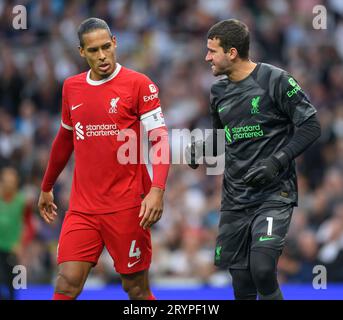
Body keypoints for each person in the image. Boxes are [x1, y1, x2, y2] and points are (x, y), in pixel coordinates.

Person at [186, 19, 321, 300]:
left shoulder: (276, 80)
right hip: (235, 198)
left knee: (262, 268)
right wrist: (202, 150)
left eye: (212, 51)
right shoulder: (218, 92)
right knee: (241, 281)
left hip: (273, 193)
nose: (206, 57)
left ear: (232, 53)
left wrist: (277, 161)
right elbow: (222, 136)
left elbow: (311, 126)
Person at [38, 17, 170, 300]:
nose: (102, 56)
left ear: (115, 43)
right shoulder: (71, 88)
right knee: (66, 284)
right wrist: (46, 186)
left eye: (106, 47)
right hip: (83, 208)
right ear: (81, 52)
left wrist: (157, 190)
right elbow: (64, 140)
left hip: (127, 206)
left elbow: (159, 139)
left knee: (135, 288)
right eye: (94, 50)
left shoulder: (139, 84)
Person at [0, 167, 27, 300]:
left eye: (12, 181)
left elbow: (26, 225)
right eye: (6, 181)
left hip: (12, 249)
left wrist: (20, 244)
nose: (9, 184)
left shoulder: (21, 202)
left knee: (12, 284)